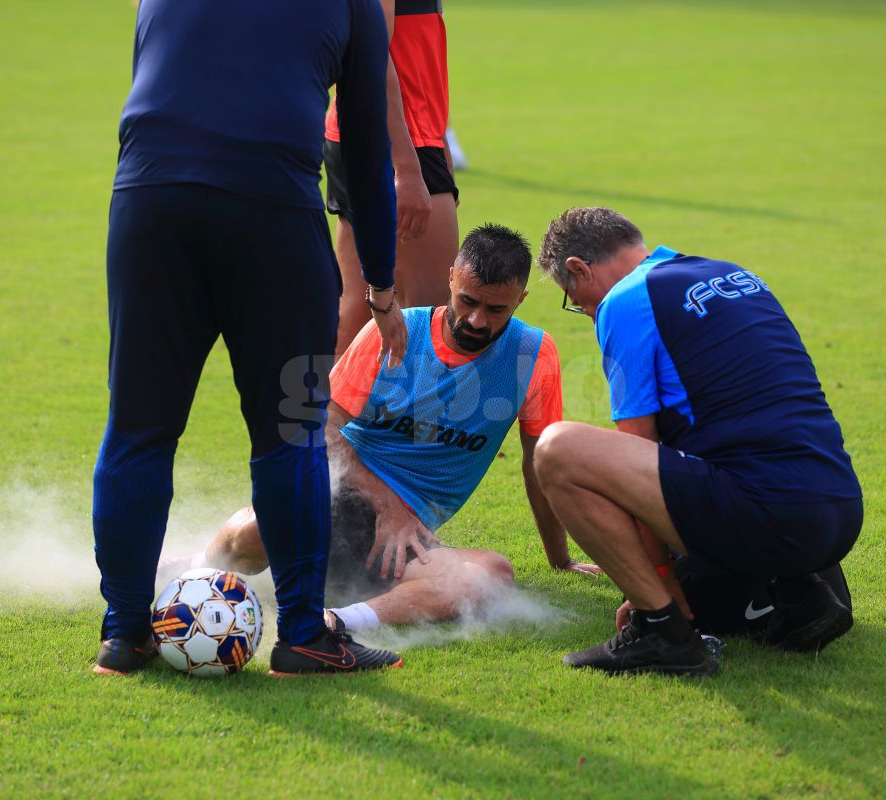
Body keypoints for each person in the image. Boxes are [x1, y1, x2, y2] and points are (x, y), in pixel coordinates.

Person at [92, 0, 410, 677]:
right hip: (273, 216)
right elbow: (364, 144)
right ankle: (302, 635)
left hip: (150, 205)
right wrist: (381, 287)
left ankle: (123, 634)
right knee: (291, 432)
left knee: (137, 430)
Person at [191, 224, 600, 633]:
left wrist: (559, 557)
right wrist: (388, 505)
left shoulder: (533, 355)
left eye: (497, 311)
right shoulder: (394, 331)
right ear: (451, 277)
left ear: (520, 300)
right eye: (468, 301)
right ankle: (190, 578)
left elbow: (539, 465)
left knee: (492, 574)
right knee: (252, 531)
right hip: (337, 495)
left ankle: (334, 624)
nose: (477, 320)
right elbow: (320, 427)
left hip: (404, 541)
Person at [533, 207, 863, 677]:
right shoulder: (729, 272)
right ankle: (797, 588)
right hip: (840, 511)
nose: (585, 311)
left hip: (769, 511)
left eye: (575, 298)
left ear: (579, 269)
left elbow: (638, 453)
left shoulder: (625, 300)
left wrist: (656, 590)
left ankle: (663, 636)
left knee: (557, 450)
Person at [325, 0, 460, 357]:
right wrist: (407, 168)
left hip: (383, 135)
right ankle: (406, 414)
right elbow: (371, 57)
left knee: (356, 309)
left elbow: (419, 60)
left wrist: (439, 137)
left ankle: (326, 413)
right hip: (400, 141)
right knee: (429, 319)